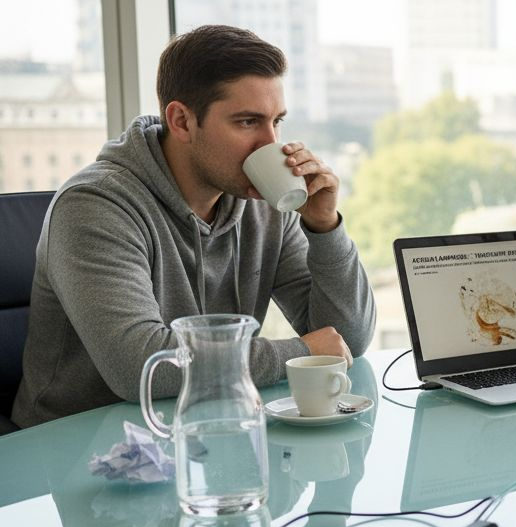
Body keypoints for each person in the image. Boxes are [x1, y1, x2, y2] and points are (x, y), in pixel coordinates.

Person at [12, 25, 375, 427]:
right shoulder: (94, 206)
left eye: (277, 122)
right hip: (83, 447)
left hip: (209, 431)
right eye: (247, 122)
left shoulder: (263, 202)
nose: (270, 144)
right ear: (182, 121)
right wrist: (299, 351)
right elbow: (138, 366)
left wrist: (325, 227)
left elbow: (346, 340)